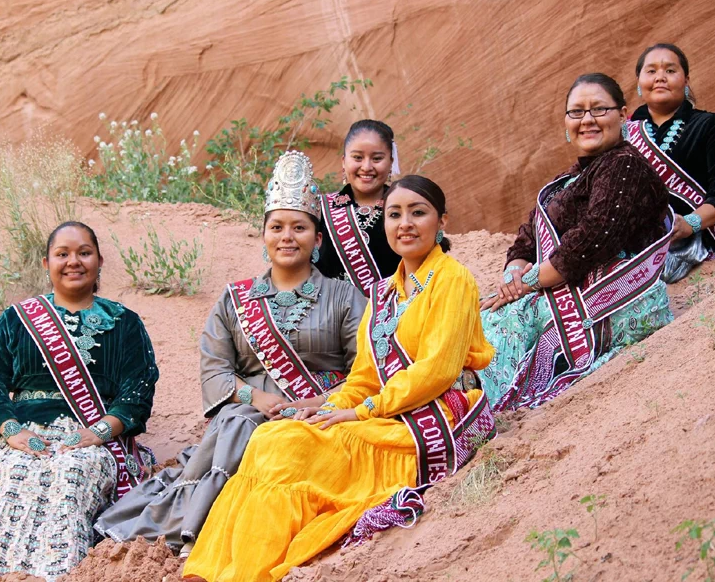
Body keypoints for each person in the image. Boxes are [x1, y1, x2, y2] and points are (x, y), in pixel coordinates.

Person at [182, 175, 497, 582]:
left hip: (436, 416)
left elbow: (435, 371)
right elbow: (364, 377)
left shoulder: (453, 279)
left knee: (295, 455)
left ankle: (245, 573)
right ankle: (208, 570)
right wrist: (327, 409)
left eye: (418, 213)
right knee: (272, 438)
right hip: (387, 410)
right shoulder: (384, 292)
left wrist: (363, 412)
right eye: (395, 214)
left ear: (442, 222)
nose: (405, 224)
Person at [95, 151, 366, 557]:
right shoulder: (234, 299)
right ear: (264, 236)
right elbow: (215, 369)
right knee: (239, 422)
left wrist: (315, 402)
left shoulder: (344, 296)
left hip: (320, 411)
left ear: (318, 239)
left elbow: (366, 369)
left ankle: (205, 528)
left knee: (247, 430)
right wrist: (255, 397)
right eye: (276, 227)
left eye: (299, 227)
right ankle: (197, 527)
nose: (287, 236)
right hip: (247, 412)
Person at [0, 222, 159, 582]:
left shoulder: (125, 323)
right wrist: (12, 431)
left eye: (84, 253)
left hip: (91, 439)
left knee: (71, 476)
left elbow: (138, 390)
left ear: (99, 260)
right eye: (62, 254)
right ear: (46, 263)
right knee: (18, 473)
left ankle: (57, 573)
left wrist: (101, 431)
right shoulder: (17, 320)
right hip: (24, 435)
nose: (73, 262)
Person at [477, 73, 674, 411]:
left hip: (611, 299)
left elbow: (593, 239)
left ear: (623, 114)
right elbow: (527, 237)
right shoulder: (569, 178)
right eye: (577, 112)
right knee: (485, 316)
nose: (587, 120)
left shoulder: (624, 166)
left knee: (498, 324)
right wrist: (512, 275)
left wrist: (525, 284)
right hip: (561, 285)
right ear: (566, 122)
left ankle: (474, 405)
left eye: (599, 110)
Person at [627, 43, 715, 282]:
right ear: (639, 83)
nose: (660, 77)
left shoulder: (709, 125)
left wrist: (690, 223)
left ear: (686, 81)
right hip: (632, 250)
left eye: (670, 71)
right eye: (651, 71)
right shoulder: (623, 134)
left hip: (696, 247)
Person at [315, 119, 402, 295]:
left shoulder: (403, 209)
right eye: (357, 157)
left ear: (391, 161)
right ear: (343, 161)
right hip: (327, 315)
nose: (366, 167)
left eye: (377, 158)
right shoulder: (319, 209)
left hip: (389, 317)